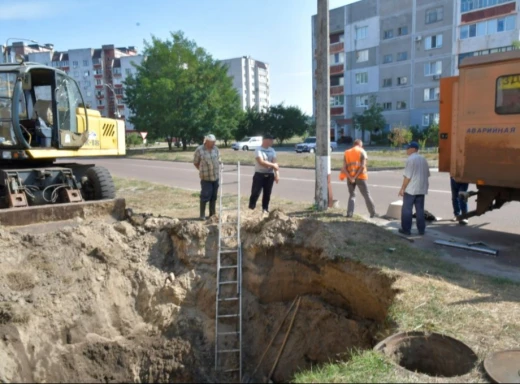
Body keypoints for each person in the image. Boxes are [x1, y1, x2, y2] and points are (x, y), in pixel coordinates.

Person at [398, 141, 430, 236]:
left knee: (407, 210)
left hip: (411, 189)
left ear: (413, 149)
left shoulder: (410, 159)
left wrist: (402, 188)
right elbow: (427, 174)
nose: (406, 150)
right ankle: (421, 230)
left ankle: (406, 229)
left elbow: (407, 176)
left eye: (408, 148)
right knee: (420, 210)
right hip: (421, 188)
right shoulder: (424, 159)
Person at [339, 139, 377, 218]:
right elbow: (362, 166)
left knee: (352, 195)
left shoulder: (347, 152)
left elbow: (344, 168)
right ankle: (372, 213)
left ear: (354, 144)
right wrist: (355, 177)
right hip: (360, 177)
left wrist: (351, 177)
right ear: (360, 145)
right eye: (361, 145)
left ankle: (349, 213)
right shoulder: (362, 151)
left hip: (350, 178)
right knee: (366, 195)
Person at [249, 134, 279, 213]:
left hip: (270, 175)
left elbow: (275, 162)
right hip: (259, 174)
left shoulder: (272, 150)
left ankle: (265, 209)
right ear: (266, 140)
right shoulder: (258, 150)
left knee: (267, 193)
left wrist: (277, 174)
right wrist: (273, 165)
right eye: (271, 139)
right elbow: (261, 162)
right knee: (255, 192)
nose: (272, 141)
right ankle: (251, 207)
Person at [193, 134, 220, 220]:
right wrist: (202, 171)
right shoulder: (199, 150)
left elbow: (218, 160)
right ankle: (202, 215)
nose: (214, 143)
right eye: (212, 142)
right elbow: (196, 162)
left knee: (214, 196)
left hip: (215, 177)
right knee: (205, 196)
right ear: (207, 142)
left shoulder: (216, 149)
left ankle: (212, 214)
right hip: (206, 178)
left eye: (214, 142)